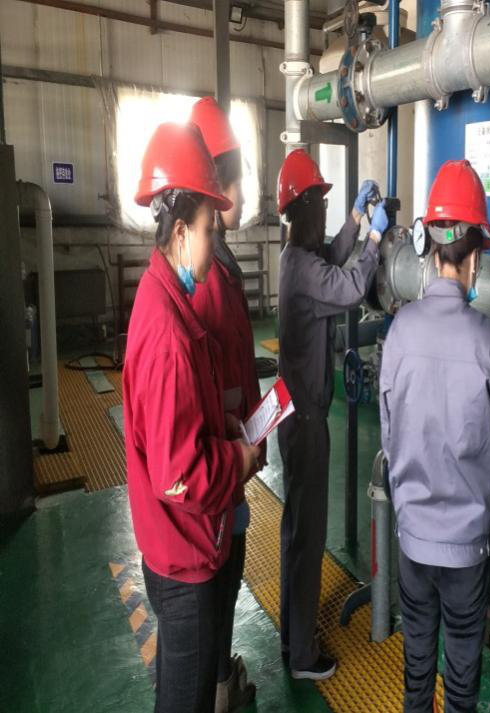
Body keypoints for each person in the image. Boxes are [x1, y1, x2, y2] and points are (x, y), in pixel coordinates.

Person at [123, 122, 261, 713]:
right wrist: (238, 458)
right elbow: (179, 475)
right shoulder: (170, 335)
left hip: (179, 545)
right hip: (184, 559)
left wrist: (222, 429)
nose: (214, 240)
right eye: (208, 228)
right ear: (180, 232)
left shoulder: (167, 299)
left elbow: (180, 423)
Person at [379, 159, 490, 713]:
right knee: (461, 675)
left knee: (417, 667)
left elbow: (389, 437)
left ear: (430, 249)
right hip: (467, 548)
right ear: (476, 257)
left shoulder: (399, 332)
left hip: (413, 538)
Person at [277, 149, 387, 680]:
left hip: (292, 413)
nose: (325, 213)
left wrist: (355, 219)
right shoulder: (305, 270)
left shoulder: (295, 257)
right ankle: (302, 656)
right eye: (321, 205)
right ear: (301, 210)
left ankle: (291, 637)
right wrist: (374, 241)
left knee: (295, 532)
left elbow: (331, 256)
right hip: (306, 421)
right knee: (309, 538)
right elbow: (347, 286)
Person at [189, 96, 260, 713]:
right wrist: (240, 443)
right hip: (221, 460)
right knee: (219, 577)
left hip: (234, 451)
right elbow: (213, 384)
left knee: (229, 573)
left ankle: (218, 675)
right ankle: (216, 686)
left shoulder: (223, 262)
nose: (240, 192)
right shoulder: (208, 276)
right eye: (234, 179)